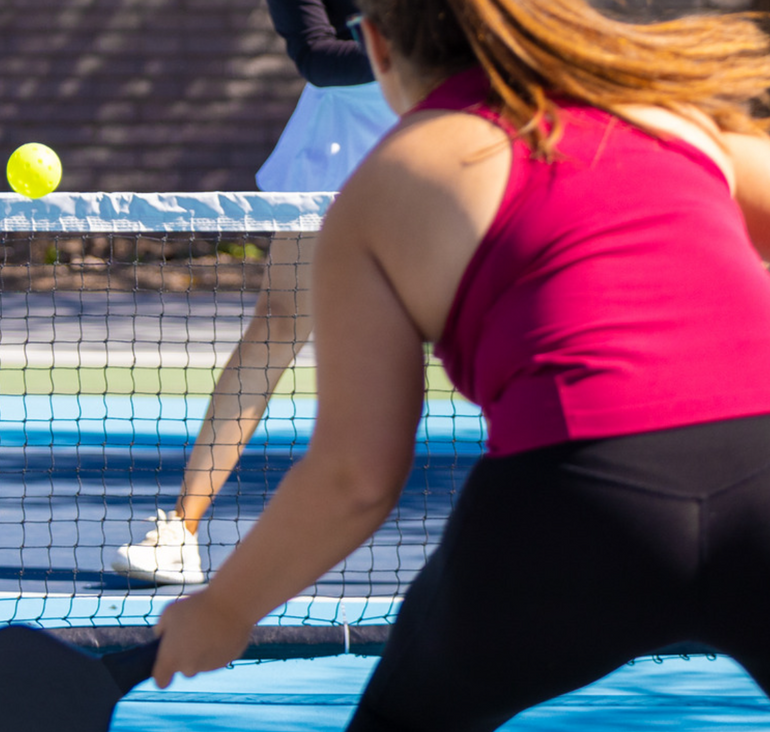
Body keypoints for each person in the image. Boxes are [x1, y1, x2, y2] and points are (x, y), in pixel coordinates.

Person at [151, 0, 770, 727]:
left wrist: (224, 609)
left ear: (376, 45)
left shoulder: (384, 188)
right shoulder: (676, 123)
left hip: (574, 500)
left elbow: (355, 477)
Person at [111, 0, 397, 586]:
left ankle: (562, 519)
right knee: (279, 325)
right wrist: (426, 53)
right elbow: (315, 54)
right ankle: (181, 535)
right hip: (337, 147)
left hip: (442, 129)